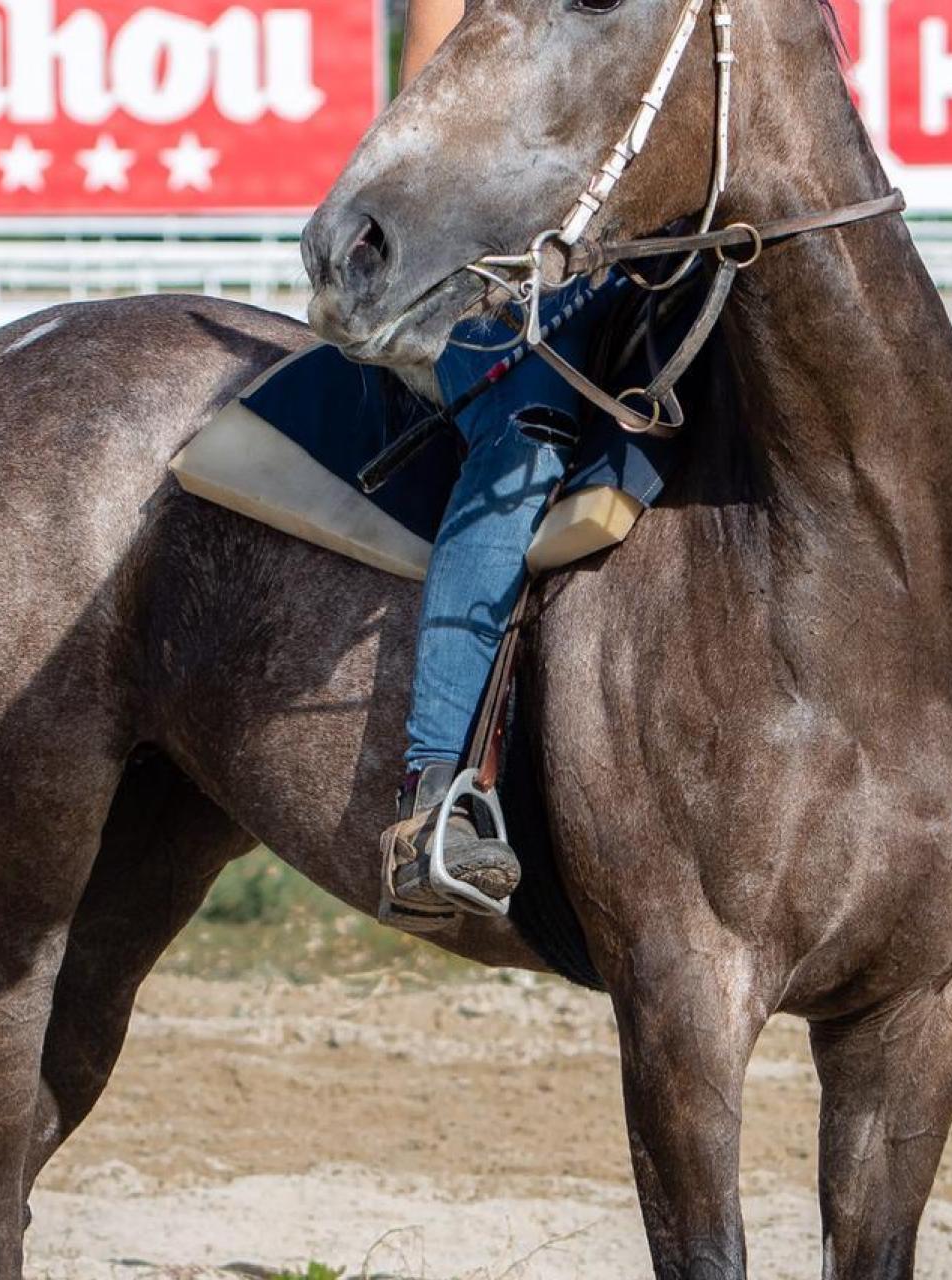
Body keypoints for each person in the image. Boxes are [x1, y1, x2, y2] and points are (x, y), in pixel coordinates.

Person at [378, 0, 627, 926]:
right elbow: (426, 143)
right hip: (489, 280)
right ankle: (435, 797)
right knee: (530, 430)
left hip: (653, 263)